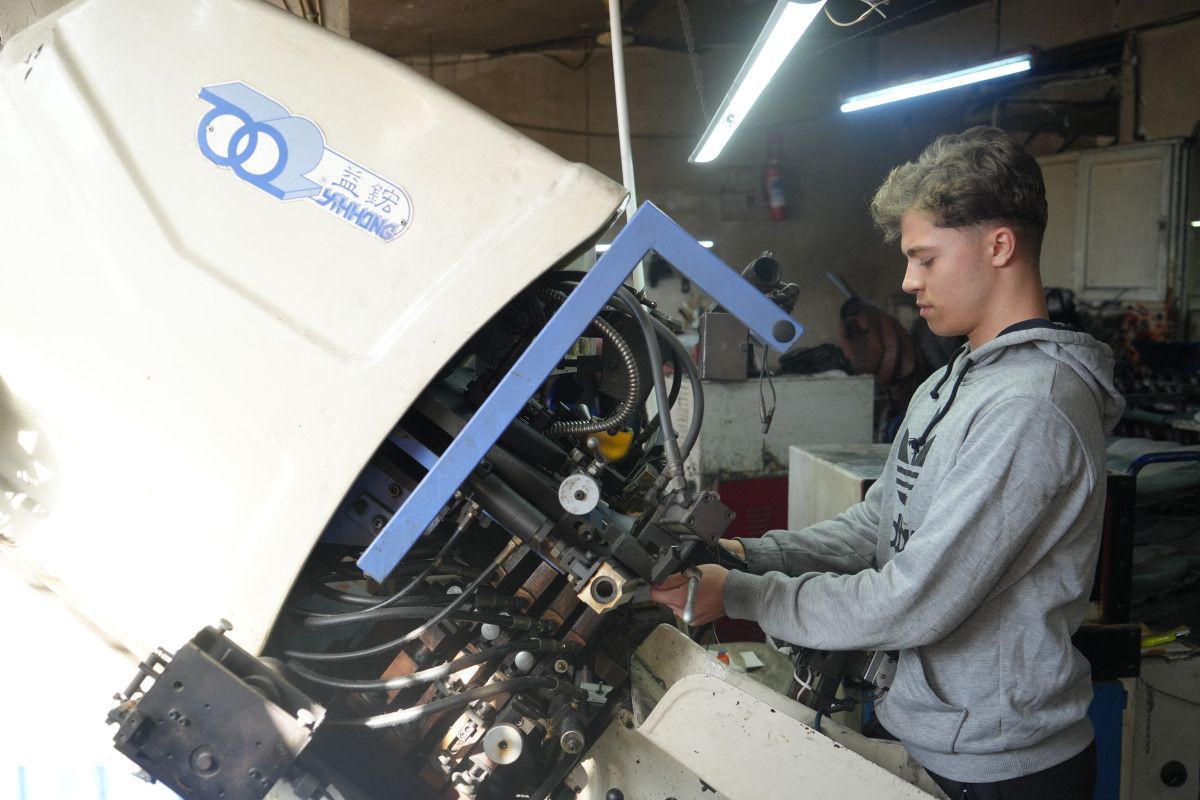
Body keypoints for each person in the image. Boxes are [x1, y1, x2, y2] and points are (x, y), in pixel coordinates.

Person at [652, 126, 1124, 800]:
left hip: (1005, 768)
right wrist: (744, 554)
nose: (908, 282)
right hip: (928, 735)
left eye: (925, 259)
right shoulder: (952, 381)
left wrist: (745, 596)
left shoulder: (1034, 407)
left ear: (999, 246)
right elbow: (878, 526)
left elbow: (915, 598)